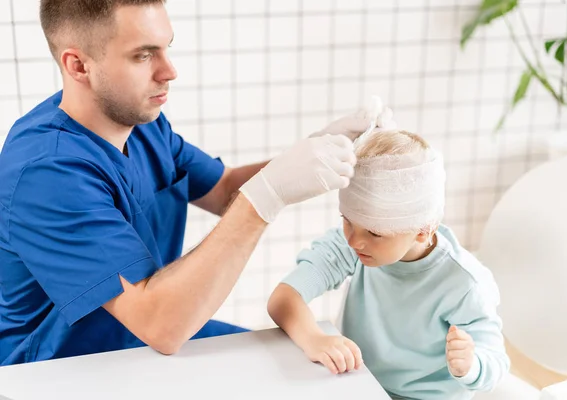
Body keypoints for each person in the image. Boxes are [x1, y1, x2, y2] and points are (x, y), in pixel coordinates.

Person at [0, 0, 395, 365]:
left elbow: (224, 190)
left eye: (166, 47)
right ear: (78, 66)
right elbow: (161, 327)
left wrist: (317, 147)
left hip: (148, 329)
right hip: (64, 364)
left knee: (292, 365)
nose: (169, 71)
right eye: (143, 55)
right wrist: (269, 194)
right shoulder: (46, 172)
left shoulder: (140, 125)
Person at [267, 130, 510, 399]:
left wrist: (471, 365)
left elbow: (497, 361)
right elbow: (285, 297)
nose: (355, 240)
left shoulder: (464, 284)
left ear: (423, 229)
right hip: (358, 385)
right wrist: (314, 338)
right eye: (347, 220)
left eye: (375, 233)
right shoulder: (352, 245)